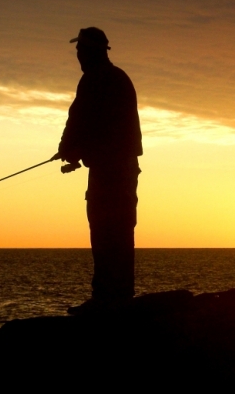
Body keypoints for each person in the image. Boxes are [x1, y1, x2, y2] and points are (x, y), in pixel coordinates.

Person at [54, 27, 142, 315]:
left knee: (105, 230)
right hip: (122, 168)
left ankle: (106, 299)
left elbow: (80, 119)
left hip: (110, 170)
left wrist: (70, 149)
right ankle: (118, 296)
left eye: (81, 50)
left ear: (93, 51)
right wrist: (76, 152)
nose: (77, 55)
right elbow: (94, 123)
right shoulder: (117, 78)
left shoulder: (95, 80)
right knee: (118, 230)